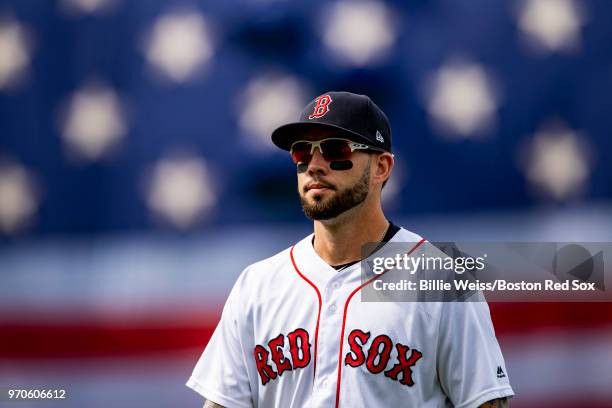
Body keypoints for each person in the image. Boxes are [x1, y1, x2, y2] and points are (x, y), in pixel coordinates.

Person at [187, 91, 514, 407]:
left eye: (335, 150)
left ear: (381, 167)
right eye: (302, 152)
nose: (314, 165)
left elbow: (484, 401)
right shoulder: (257, 286)